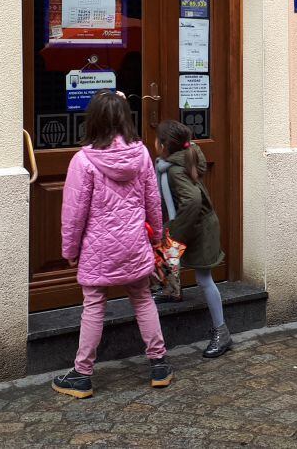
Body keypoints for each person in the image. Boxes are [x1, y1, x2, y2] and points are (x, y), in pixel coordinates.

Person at [52, 91, 173, 399]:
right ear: (125, 118)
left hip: (99, 248)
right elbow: (153, 201)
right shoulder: (142, 154)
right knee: (143, 299)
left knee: (93, 306)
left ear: (93, 120)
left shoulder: (83, 161)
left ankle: (82, 374)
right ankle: (159, 364)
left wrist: (70, 251)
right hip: (134, 244)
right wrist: (157, 237)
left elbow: (73, 213)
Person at [154, 119, 233, 359]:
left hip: (198, 229)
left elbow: (193, 200)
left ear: (164, 145)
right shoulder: (183, 158)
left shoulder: (176, 170)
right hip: (194, 226)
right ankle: (172, 291)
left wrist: (178, 232)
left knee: (204, 278)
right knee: (167, 255)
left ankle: (222, 331)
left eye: (157, 140)